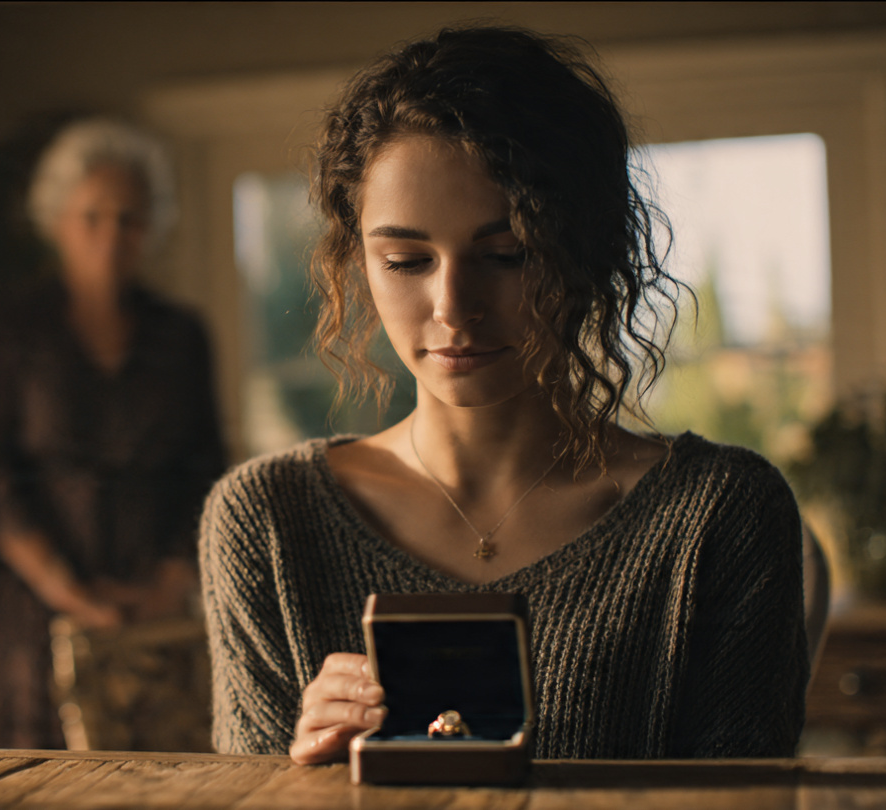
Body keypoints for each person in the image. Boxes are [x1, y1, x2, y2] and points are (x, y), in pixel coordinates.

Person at [199, 26, 809, 763]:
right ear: (357, 263)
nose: (454, 306)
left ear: (587, 253)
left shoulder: (717, 515)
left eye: (505, 255)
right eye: (406, 259)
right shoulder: (266, 520)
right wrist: (304, 771)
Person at [0, 118, 228, 749]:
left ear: (152, 228)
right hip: (39, 613)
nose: (112, 235)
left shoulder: (182, 333)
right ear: (56, 221)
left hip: (157, 615)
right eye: (93, 216)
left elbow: (206, 469)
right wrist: (68, 591)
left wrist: (167, 582)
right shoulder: (11, 327)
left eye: (130, 219)